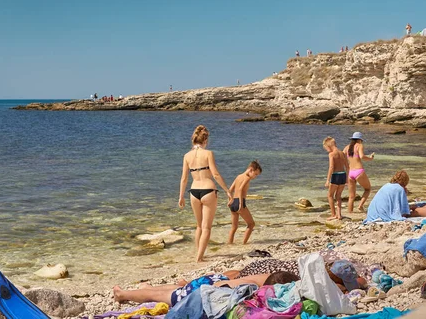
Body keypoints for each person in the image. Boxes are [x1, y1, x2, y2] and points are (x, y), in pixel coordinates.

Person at [180, 125, 232, 262]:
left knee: (198, 226)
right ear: (205, 140)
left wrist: (181, 196)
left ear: (193, 140)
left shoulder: (187, 156)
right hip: (208, 190)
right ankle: (199, 257)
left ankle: (198, 253)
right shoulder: (208, 153)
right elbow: (215, 174)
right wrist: (227, 190)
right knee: (206, 227)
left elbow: (184, 178)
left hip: (193, 191)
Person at [113, 271, 299, 305]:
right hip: (206, 289)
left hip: (216, 279)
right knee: (163, 296)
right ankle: (123, 294)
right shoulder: (255, 291)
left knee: (178, 290)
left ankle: (149, 286)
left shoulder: (264, 278)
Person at [228, 161, 262, 244]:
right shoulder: (247, 178)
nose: (255, 177)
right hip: (239, 202)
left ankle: (229, 244)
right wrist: (240, 203)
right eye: (255, 174)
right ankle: (244, 244)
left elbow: (229, 190)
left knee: (234, 227)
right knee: (251, 224)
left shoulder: (238, 176)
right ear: (251, 170)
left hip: (232, 203)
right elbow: (240, 189)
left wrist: (229, 200)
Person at [343, 132, 374, 213]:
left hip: (350, 173)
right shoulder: (359, 146)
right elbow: (362, 156)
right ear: (360, 140)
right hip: (359, 171)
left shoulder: (347, 147)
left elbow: (342, 156)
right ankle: (360, 206)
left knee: (351, 196)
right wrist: (370, 158)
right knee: (367, 189)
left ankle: (350, 213)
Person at [323, 137, 348, 220]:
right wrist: (347, 178)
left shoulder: (331, 154)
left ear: (329, 146)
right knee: (338, 196)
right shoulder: (342, 153)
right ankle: (339, 215)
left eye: (326, 148)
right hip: (343, 175)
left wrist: (327, 180)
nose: (327, 150)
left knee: (330, 195)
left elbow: (331, 167)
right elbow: (347, 166)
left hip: (336, 175)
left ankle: (333, 214)